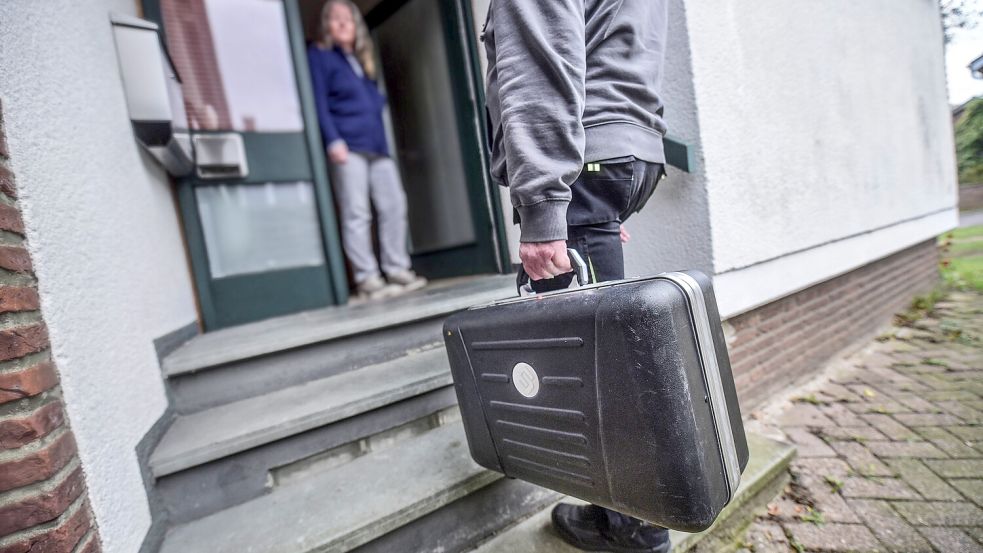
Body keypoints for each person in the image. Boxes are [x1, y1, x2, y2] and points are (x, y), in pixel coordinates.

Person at [483, 1, 671, 551]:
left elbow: (540, 55)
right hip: (623, 152)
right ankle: (620, 517)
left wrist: (545, 208)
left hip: (582, 155)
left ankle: (636, 528)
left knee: (594, 370)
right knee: (608, 356)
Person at [307, 0, 426, 300]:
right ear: (326, 26)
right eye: (335, 19)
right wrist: (333, 140)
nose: (343, 23)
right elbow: (318, 103)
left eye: (348, 18)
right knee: (357, 212)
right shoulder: (319, 56)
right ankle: (367, 277)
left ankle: (397, 268)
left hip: (377, 147)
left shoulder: (361, 61)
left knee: (394, 206)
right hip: (347, 147)